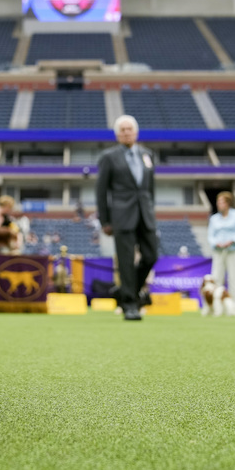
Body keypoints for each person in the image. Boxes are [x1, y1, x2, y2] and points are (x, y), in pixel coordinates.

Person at [96, 114, 159, 321]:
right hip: (121, 216)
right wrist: (105, 220)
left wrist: (151, 209)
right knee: (125, 261)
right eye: (122, 130)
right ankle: (130, 305)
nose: (126, 132)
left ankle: (126, 291)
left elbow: (150, 188)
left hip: (145, 214)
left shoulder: (147, 154)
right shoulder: (109, 157)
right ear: (117, 135)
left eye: (129, 129)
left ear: (136, 132)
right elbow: (101, 190)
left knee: (151, 256)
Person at [206, 191, 235, 308]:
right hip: (218, 252)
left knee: (234, 279)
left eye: (221, 202)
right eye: (218, 202)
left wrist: (232, 240)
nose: (219, 204)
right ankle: (216, 306)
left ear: (228, 203)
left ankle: (234, 306)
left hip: (234, 251)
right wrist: (217, 243)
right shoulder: (214, 219)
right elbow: (210, 236)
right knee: (216, 278)